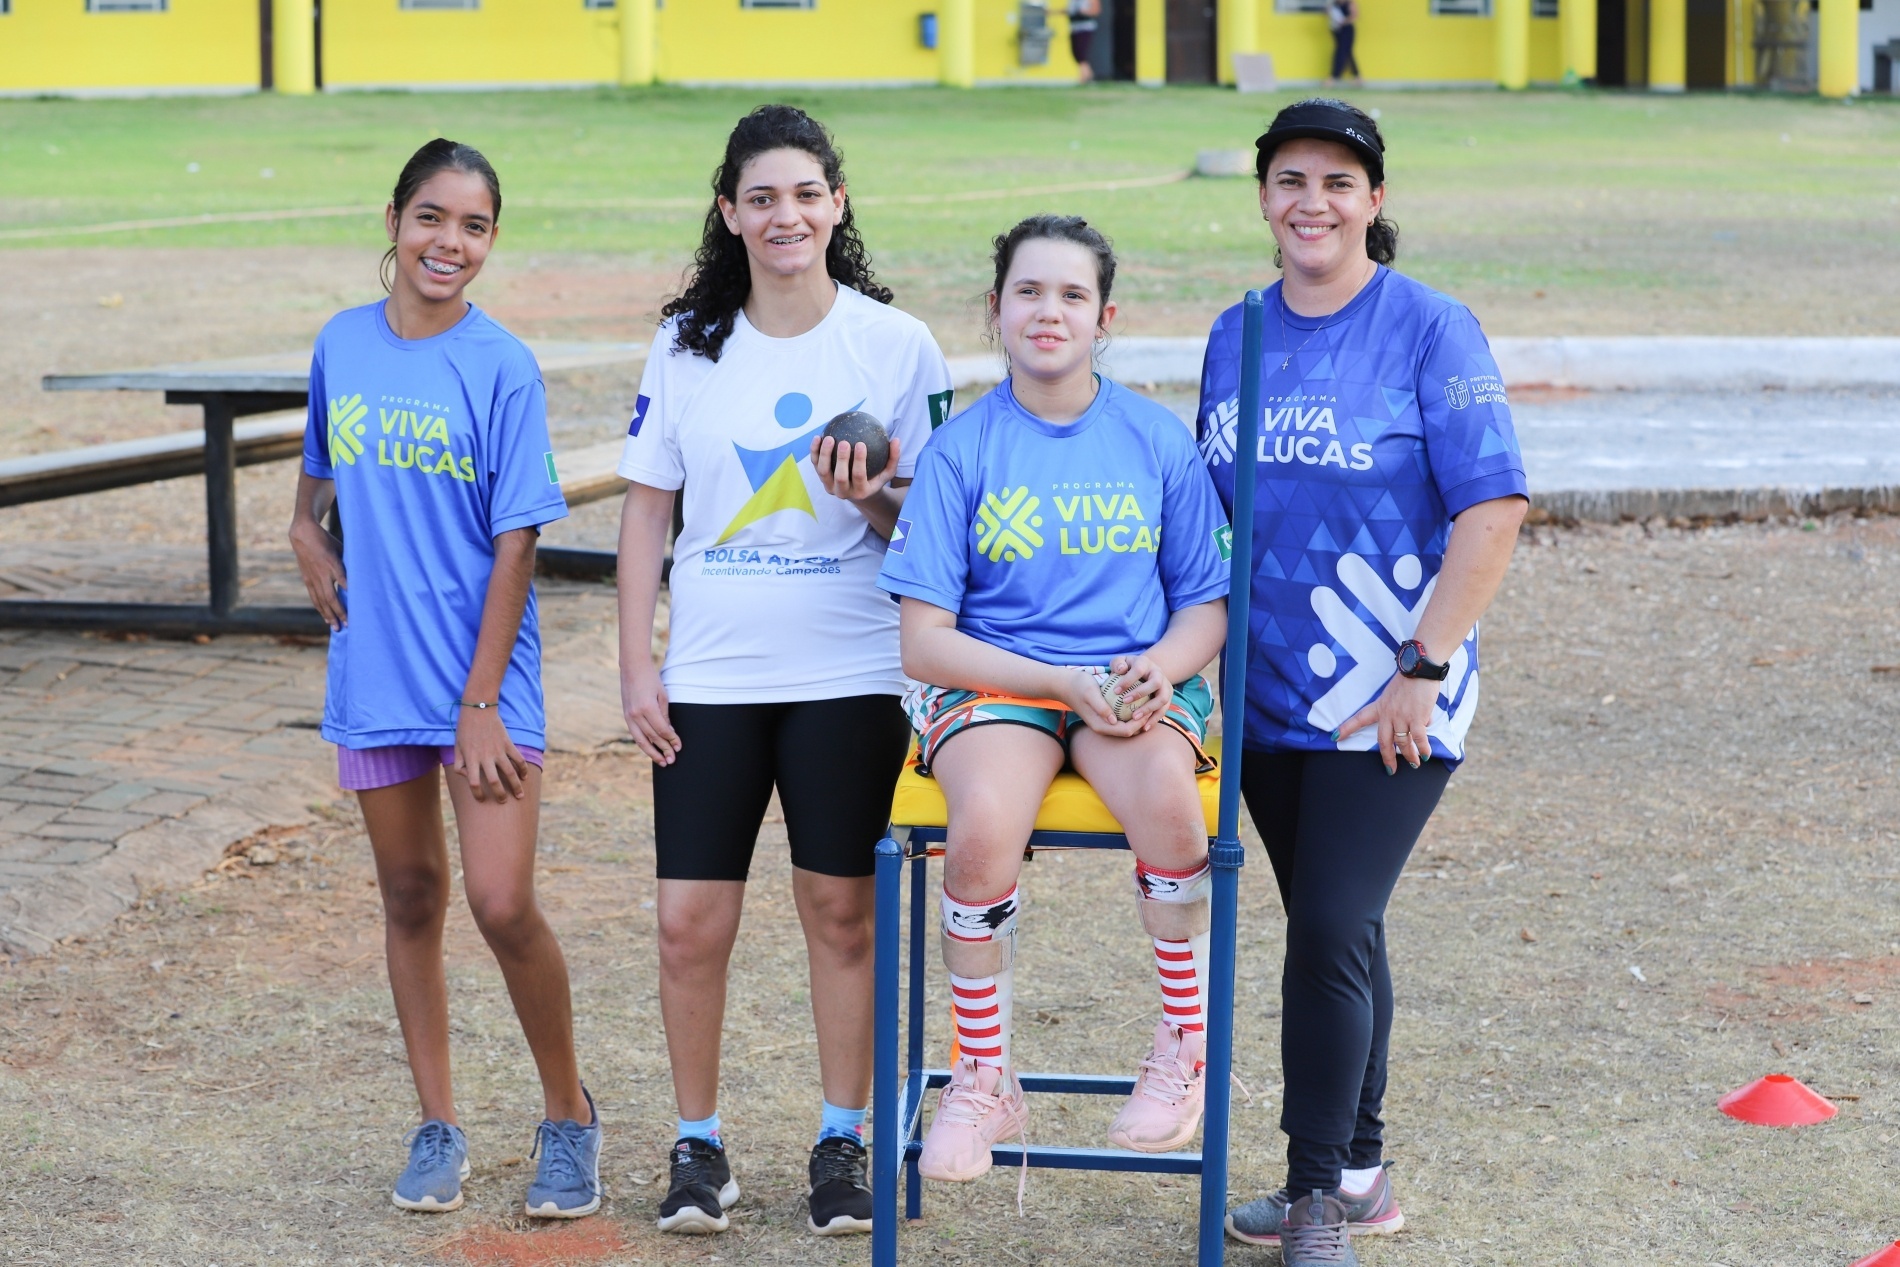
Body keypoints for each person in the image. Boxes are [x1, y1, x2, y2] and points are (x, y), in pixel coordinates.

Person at [615, 104, 954, 1238]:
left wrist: (871, 497)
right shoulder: (685, 343)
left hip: (850, 668)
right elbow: (646, 512)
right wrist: (637, 665)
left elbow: (933, 530)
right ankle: (698, 1145)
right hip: (710, 673)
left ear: (837, 204)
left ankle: (841, 1140)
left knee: (840, 911)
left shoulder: (895, 346)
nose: (785, 216)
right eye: (760, 197)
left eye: (806, 194)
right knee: (687, 920)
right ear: (728, 213)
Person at [1199, 99, 1527, 1265]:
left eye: (1338, 182)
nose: (1313, 202)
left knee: (1331, 924)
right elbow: (1208, 511)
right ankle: (1360, 1170)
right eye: (1290, 180)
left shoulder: (1432, 328)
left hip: (1389, 692)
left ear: (1373, 200)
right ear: (1263, 197)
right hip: (1263, 695)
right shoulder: (1235, 333)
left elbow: (1492, 508)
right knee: (1337, 926)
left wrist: (1420, 667)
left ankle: (1312, 1198)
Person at [879, 214, 1231, 1182]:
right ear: (995, 309)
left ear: (1104, 317)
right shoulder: (961, 451)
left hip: (1125, 683)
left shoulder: (1154, 439)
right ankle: (984, 1075)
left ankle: (1185, 1048)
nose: (1049, 311)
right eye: (1028, 291)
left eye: (1073, 294)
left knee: (1170, 805)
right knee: (982, 826)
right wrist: (1053, 680)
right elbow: (924, 640)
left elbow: (1206, 602)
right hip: (1004, 682)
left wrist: (1162, 663)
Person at [287, 138, 601, 1220]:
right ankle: (437, 1122)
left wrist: (478, 705)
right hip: (375, 668)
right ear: (393, 220)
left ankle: (569, 1116)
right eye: (431, 217)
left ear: (492, 240)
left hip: (481, 681)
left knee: (501, 902)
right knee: (411, 897)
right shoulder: (342, 342)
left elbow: (518, 542)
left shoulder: (501, 364)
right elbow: (316, 477)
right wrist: (303, 532)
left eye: (473, 226)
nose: (448, 242)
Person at [1326, 0, 1361, 88]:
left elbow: (1355, 15)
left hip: (1347, 30)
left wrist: (1344, 21)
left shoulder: (1349, 3)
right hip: (1337, 30)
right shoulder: (1334, 4)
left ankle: (1334, 76)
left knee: (1341, 52)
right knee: (1347, 53)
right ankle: (1357, 77)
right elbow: (1328, 14)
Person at [1067, 0, 1102, 84]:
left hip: (1085, 27)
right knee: (1076, 53)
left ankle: (1084, 77)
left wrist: (1083, 12)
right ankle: (1089, 76)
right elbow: (1070, 11)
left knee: (1081, 53)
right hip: (1074, 27)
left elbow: (1096, 11)